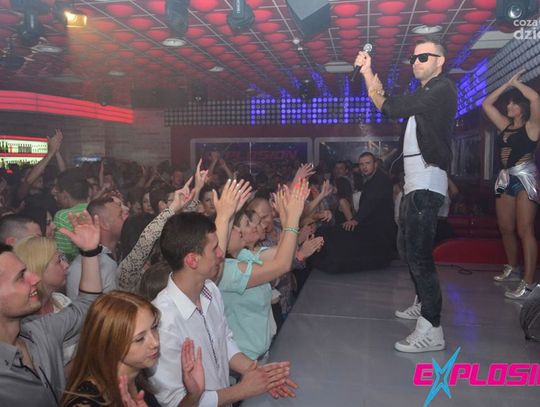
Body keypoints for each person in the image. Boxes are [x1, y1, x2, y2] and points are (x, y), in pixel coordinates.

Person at [151, 180, 296, 407]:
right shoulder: (162, 321)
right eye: (214, 249)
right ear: (192, 260)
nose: (221, 254)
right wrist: (241, 390)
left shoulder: (210, 291)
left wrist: (255, 371)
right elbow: (175, 402)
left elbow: (224, 341)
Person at [356, 35, 457, 352]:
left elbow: (390, 106)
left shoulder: (442, 89)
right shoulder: (424, 96)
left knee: (419, 255)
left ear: (440, 61)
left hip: (427, 182)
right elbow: (389, 102)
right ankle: (422, 301)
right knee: (406, 248)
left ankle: (432, 328)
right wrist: (370, 78)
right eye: (413, 58)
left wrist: (370, 80)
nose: (416, 62)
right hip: (414, 183)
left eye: (423, 57)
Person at [0, 210, 102, 406]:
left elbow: (88, 304)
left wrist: (89, 252)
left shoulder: (41, 332)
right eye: (21, 277)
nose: (35, 278)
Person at [61, 291, 205, 407]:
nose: (155, 342)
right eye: (140, 339)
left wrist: (193, 396)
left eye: (154, 328)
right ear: (109, 345)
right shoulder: (84, 403)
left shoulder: (137, 377)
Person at [482, 69, 540, 299]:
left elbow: (535, 99)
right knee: (506, 228)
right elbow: (487, 104)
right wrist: (507, 84)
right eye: (508, 103)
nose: (508, 106)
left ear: (522, 107)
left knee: (525, 229)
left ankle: (529, 282)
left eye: (513, 104)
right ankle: (513, 268)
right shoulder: (505, 125)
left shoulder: (533, 126)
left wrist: (517, 84)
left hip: (524, 177)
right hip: (505, 178)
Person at [52, 169, 90, 262]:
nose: (53, 192)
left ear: (65, 195)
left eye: (57, 190)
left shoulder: (62, 216)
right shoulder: (95, 209)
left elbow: (64, 254)